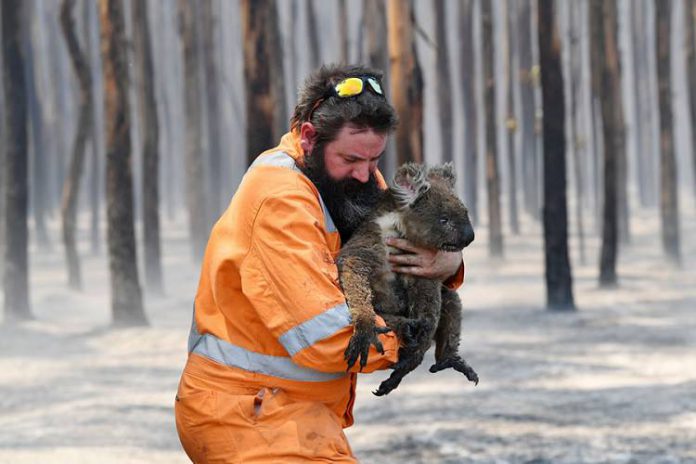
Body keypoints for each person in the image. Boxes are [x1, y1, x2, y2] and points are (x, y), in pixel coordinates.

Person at [174, 64, 465, 463]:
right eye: (351, 159)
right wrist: (414, 335)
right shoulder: (280, 200)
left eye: (375, 159)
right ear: (310, 138)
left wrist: (449, 262)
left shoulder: (351, 180)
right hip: (247, 414)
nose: (366, 175)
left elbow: (410, 246)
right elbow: (325, 337)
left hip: (295, 412)